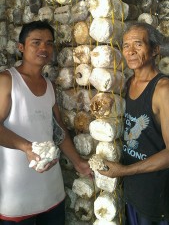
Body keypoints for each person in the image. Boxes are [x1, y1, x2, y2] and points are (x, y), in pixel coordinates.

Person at [0, 21, 91, 225]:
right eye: (36, 42)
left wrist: (78, 162)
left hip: (51, 188)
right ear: (21, 47)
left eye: (49, 43)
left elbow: (58, 131)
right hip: (16, 191)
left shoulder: (49, 86)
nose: (44, 48)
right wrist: (26, 147)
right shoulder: (7, 81)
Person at [99, 23, 169, 224]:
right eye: (126, 45)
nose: (130, 51)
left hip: (155, 196)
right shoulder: (127, 83)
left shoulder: (163, 89)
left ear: (155, 50)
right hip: (132, 191)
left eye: (138, 44)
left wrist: (123, 171)